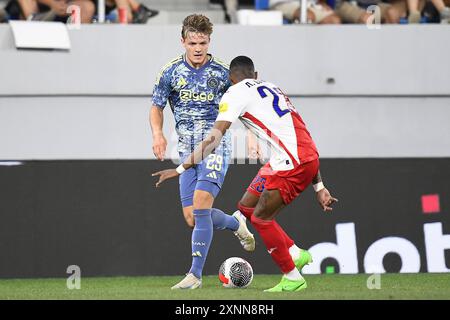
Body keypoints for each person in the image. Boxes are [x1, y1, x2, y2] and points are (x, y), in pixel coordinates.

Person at [153, 56, 338, 292]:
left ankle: (292, 277)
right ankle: (294, 252)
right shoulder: (273, 87)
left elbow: (214, 138)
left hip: (292, 165)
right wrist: (319, 187)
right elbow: (300, 137)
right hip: (303, 158)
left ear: (231, 79)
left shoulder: (234, 93)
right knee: (246, 207)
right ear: (256, 75)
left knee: (261, 218)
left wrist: (180, 168)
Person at [150, 15, 255, 289]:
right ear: (183, 41)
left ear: (209, 41)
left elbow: (241, 103)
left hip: (214, 146)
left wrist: (251, 136)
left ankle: (194, 275)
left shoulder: (222, 72)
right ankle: (234, 223)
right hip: (185, 151)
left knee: (201, 203)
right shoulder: (170, 72)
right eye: (193, 42)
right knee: (192, 217)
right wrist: (158, 133)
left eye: (203, 42)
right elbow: (156, 106)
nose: (198, 48)